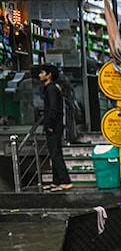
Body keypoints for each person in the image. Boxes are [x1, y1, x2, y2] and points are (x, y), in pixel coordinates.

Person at [38, 64, 73, 192]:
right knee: (54, 153)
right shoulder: (51, 88)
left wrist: (50, 124)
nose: (40, 75)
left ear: (49, 75)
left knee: (56, 153)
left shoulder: (51, 89)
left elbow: (53, 108)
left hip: (54, 126)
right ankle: (56, 180)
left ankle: (65, 180)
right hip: (54, 125)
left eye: (42, 73)